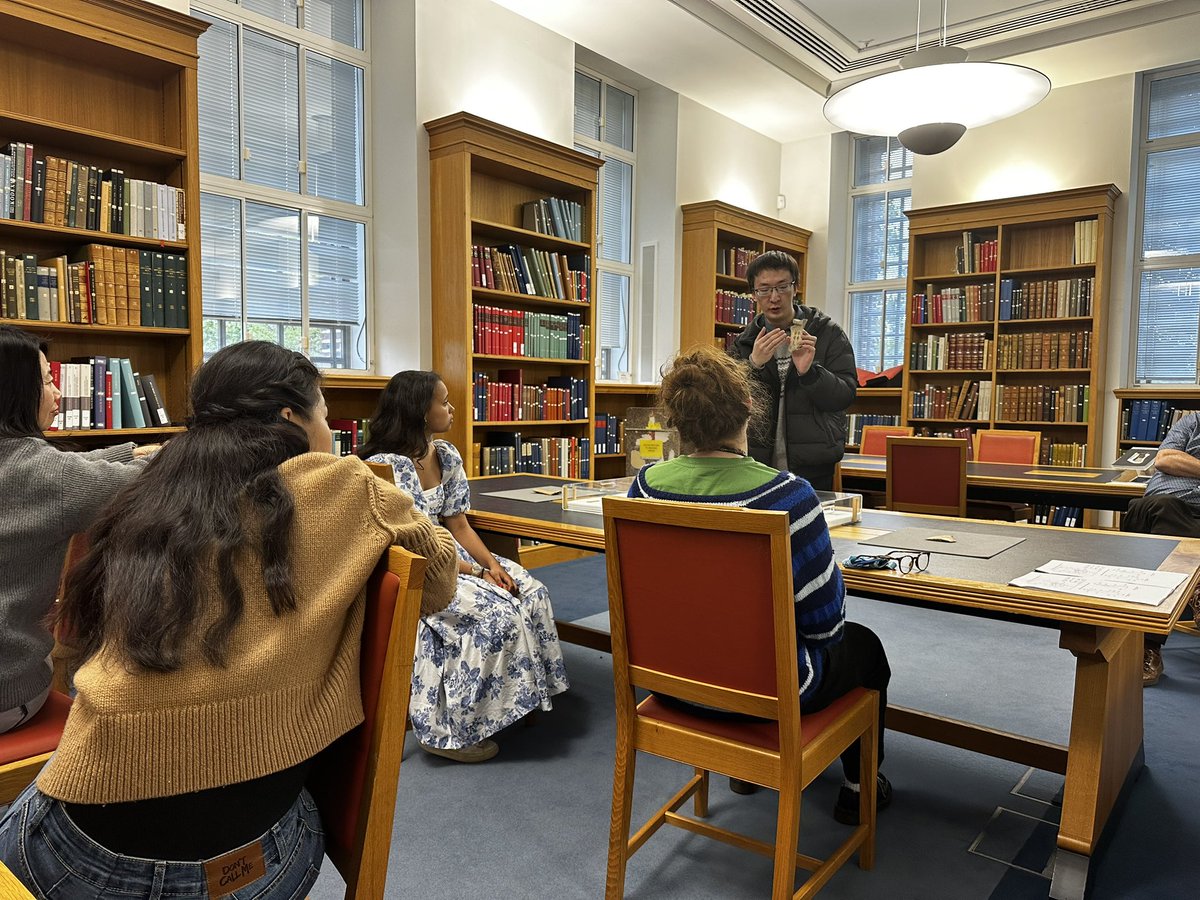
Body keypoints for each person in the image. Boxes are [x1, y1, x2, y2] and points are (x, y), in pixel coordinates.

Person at [0, 341, 458, 898]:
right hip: (258, 858)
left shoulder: (157, 490)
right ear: (292, 417)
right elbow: (437, 583)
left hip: (81, 849)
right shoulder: (347, 486)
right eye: (323, 411)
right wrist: (390, 503)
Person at [627, 343, 891, 825]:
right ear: (749, 406)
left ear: (676, 420)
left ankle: (746, 772)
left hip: (669, 681)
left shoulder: (644, 488)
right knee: (865, 648)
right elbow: (826, 627)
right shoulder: (789, 496)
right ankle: (859, 787)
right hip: (770, 691)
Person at [360, 371, 569, 763]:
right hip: (422, 563)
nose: (452, 408)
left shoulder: (447, 454)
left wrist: (491, 564)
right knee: (494, 613)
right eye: (443, 401)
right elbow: (413, 540)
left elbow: (458, 523)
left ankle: (521, 697)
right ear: (421, 411)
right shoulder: (387, 467)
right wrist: (475, 573)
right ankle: (452, 728)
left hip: (456, 553)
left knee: (531, 590)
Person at [0, 324, 157, 735]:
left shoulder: (39, 470)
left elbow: (73, 476)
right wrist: (169, 453)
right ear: (16, 392)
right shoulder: (44, 473)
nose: (56, 395)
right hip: (8, 696)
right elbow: (128, 483)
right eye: (49, 381)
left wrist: (129, 449)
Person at [729, 249, 857, 490]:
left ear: (795, 288)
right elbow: (726, 401)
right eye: (764, 289)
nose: (774, 297)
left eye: (782, 287)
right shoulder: (745, 342)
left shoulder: (827, 333)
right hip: (755, 463)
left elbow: (845, 396)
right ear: (754, 294)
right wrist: (753, 365)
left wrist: (810, 373)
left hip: (813, 464)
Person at [1120, 411, 1200, 686]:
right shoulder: (1193, 421)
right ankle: (1195, 590)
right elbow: (1165, 459)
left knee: (1171, 540)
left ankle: (1148, 643)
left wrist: (1189, 464)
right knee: (1157, 510)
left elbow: (1175, 461)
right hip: (1164, 507)